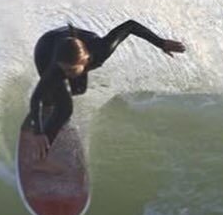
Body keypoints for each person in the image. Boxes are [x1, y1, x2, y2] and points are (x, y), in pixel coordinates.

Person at [21, 21, 185, 164]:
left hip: (77, 44)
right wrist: (38, 133)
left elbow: (130, 26)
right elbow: (36, 97)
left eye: (70, 70)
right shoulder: (57, 67)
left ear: (85, 62)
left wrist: (160, 43)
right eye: (65, 70)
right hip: (46, 49)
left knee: (79, 89)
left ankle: (53, 105)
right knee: (63, 107)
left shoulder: (103, 49)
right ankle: (41, 157)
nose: (67, 74)